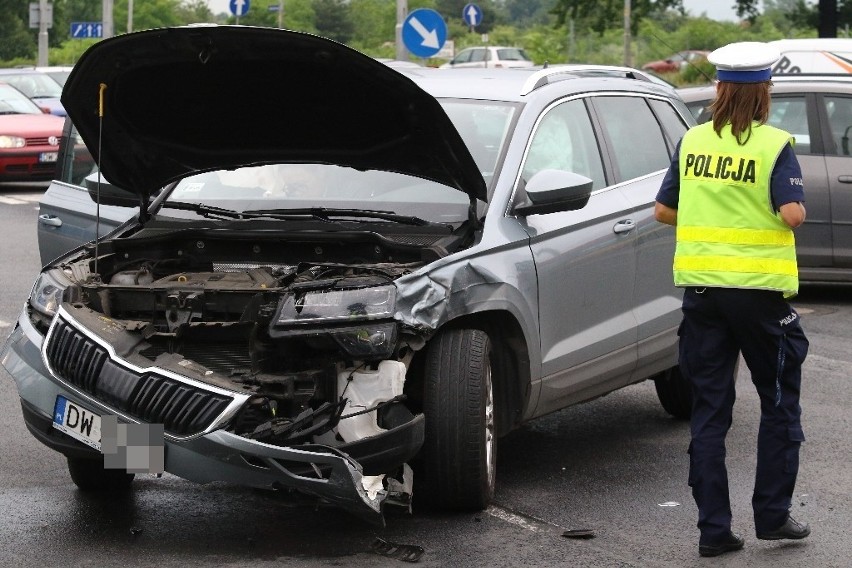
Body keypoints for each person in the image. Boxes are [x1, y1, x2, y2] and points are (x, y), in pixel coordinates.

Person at [654, 41, 811, 558]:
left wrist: (713, 219)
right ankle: (771, 516)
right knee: (779, 403)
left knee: (710, 411)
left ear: (720, 90)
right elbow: (791, 214)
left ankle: (713, 530)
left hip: (703, 295)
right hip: (760, 299)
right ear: (763, 94)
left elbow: (664, 211)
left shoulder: (693, 140)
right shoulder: (774, 145)